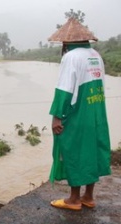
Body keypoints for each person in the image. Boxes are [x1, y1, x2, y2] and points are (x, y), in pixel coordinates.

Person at [47, 18, 111, 211]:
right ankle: (88, 196)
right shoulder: (95, 55)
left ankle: (74, 199)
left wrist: (57, 116)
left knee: (73, 149)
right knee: (91, 151)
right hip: (96, 112)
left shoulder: (71, 57)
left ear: (65, 43)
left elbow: (64, 89)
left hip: (78, 113)